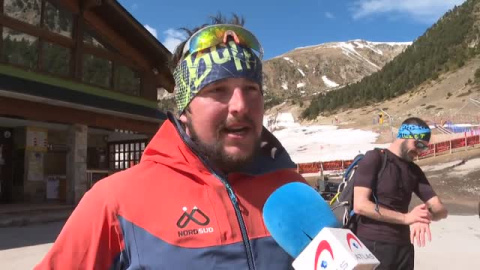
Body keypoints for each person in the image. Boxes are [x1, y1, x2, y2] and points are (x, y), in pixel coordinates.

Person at [36, 15, 305, 270]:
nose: (240, 105)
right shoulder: (115, 203)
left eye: (251, 89)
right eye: (217, 90)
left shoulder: (294, 189)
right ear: (184, 111)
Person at [352, 117, 448, 270]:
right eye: (418, 145)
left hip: (403, 250)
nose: (419, 151)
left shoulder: (414, 170)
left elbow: (440, 209)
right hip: (372, 246)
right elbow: (360, 205)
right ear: (404, 135)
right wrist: (406, 218)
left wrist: (423, 216)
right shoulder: (374, 158)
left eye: (424, 148)